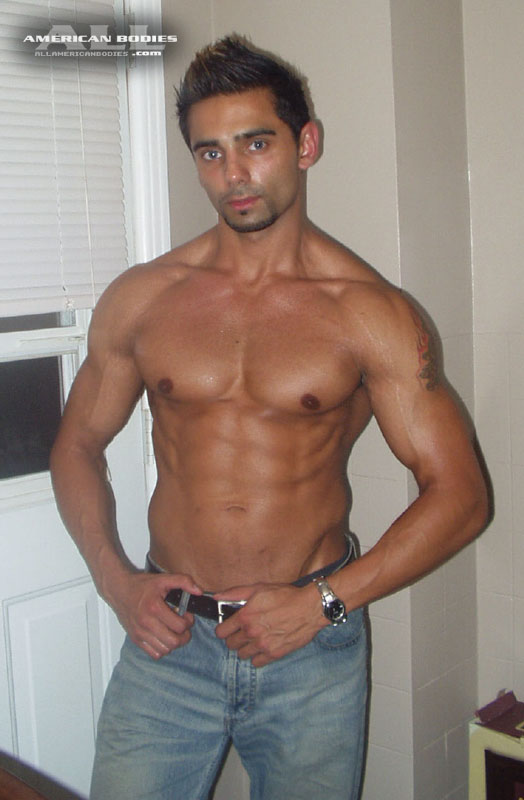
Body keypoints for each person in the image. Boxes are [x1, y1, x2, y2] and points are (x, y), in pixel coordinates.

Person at [50, 36, 488, 800]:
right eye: (211, 152)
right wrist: (116, 582)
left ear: (305, 144)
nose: (234, 174)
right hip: (170, 641)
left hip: (308, 649)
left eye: (256, 144)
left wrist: (325, 603)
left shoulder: (370, 313)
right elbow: (77, 444)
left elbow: (462, 494)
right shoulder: (144, 298)